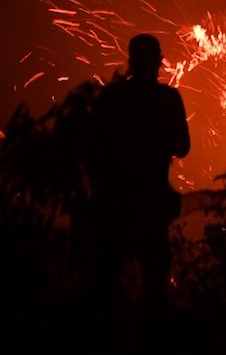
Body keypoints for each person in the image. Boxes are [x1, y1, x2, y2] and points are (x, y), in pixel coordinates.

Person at [82, 32, 191, 328]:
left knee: (105, 285)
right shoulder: (167, 98)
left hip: (114, 207)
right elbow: (182, 147)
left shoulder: (113, 97)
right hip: (151, 206)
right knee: (154, 290)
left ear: (131, 61)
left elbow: (91, 147)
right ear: (159, 62)